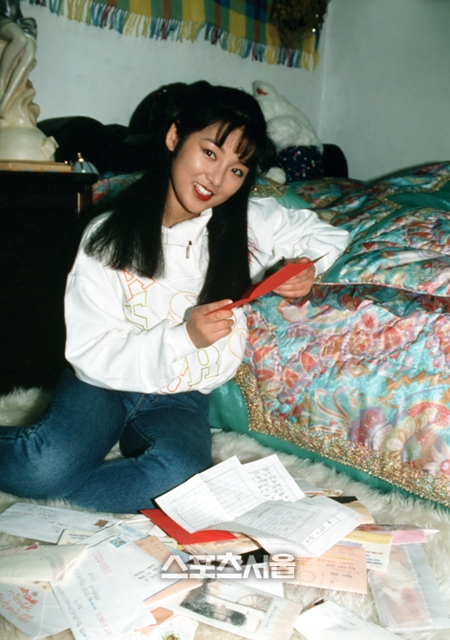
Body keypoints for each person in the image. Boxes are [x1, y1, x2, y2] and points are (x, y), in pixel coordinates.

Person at [0, 81, 350, 513]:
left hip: (180, 397)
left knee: (177, 477)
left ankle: (58, 492)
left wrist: (308, 266)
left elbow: (326, 235)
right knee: (46, 465)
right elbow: (90, 351)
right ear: (173, 137)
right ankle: (50, 477)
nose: (217, 179)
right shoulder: (108, 237)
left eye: (237, 170)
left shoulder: (248, 223)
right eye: (210, 153)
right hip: (102, 385)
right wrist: (184, 337)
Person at [0, 0, 37, 119]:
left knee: (29, 55)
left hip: (21, 20)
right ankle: (1, 81)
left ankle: (5, 101)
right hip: (2, 17)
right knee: (20, 39)